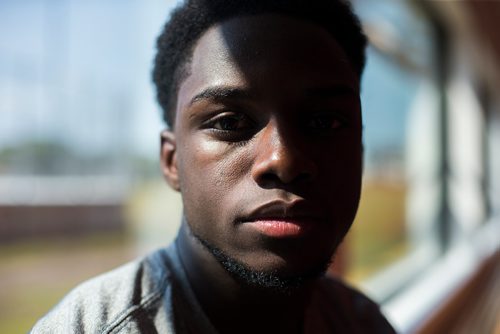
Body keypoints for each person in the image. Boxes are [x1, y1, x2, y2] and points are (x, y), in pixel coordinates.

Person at [32, 0, 396, 333]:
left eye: (325, 123)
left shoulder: (361, 320)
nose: (283, 161)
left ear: (360, 153)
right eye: (229, 123)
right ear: (172, 162)